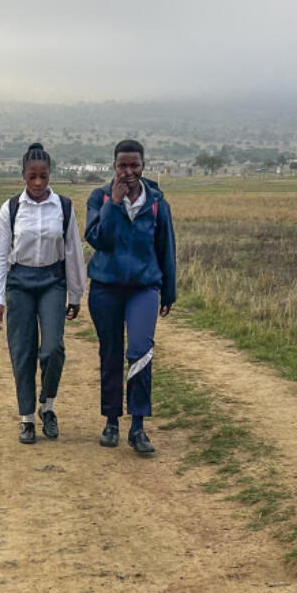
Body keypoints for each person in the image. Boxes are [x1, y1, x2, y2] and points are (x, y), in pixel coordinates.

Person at [0, 143, 86, 444]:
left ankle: (48, 406)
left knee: (53, 349)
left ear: (50, 175)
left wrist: (75, 294)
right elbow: (0, 256)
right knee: (22, 351)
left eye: (44, 176)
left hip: (52, 282)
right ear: (23, 176)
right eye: (33, 177)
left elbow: (73, 253)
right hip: (20, 283)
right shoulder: (12, 209)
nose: (39, 184)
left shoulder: (64, 207)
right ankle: (27, 419)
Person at [84, 139, 176, 455]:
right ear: (114, 167)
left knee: (140, 351)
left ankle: (138, 427)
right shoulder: (100, 198)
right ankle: (111, 421)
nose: (128, 172)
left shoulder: (156, 200)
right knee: (110, 353)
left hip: (144, 288)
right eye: (122, 166)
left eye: (134, 165)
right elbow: (98, 239)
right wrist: (113, 203)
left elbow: (166, 248)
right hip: (105, 288)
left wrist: (169, 291)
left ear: (143, 166)